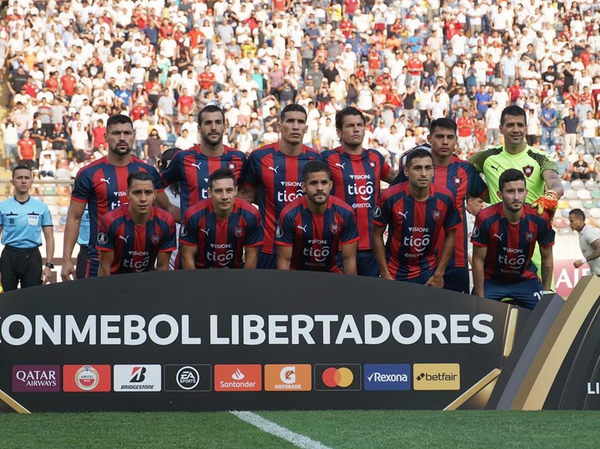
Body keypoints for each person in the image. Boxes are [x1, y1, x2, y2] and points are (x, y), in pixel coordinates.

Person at [61, 114, 178, 280]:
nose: (122, 138)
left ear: (134, 137)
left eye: (127, 133)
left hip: (141, 261)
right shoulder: (89, 173)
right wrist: (66, 260)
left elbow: (167, 209)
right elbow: (74, 217)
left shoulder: (148, 172)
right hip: (100, 259)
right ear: (105, 137)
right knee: (99, 306)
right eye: (116, 133)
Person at [470, 105, 563, 287]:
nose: (515, 129)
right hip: (497, 242)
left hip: (532, 242)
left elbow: (556, 185)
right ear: (501, 128)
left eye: (520, 125)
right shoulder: (485, 157)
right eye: (510, 125)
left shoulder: (540, 158)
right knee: (494, 311)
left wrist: (551, 194)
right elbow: (464, 174)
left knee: (540, 308)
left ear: (526, 129)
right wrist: (486, 196)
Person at [392, 118, 489, 293]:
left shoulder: (466, 170)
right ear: (429, 138)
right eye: (439, 136)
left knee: (457, 315)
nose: (445, 142)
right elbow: (391, 203)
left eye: (450, 137)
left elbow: (489, 196)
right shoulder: (416, 169)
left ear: (456, 140)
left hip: (456, 261)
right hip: (416, 262)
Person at [238, 104, 321, 269]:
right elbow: (246, 197)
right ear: (279, 126)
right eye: (290, 121)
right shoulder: (259, 157)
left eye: (300, 122)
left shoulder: (316, 160)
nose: (295, 126)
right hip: (267, 247)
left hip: (306, 249)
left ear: (306, 128)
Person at [321, 107, 395, 277]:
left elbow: (397, 180)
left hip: (371, 246)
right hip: (337, 246)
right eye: (350, 126)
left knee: (370, 299)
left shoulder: (375, 157)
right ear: (339, 132)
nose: (356, 129)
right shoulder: (327, 158)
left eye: (359, 125)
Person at [373, 148, 460, 286]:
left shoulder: (446, 198)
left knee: (427, 308)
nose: (424, 174)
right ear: (406, 171)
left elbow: (451, 233)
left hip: (428, 271)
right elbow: (377, 234)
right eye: (418, 168)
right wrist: (384, 273)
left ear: (433, 171)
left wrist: (439, 274)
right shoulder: (389, 197)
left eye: (428, 168)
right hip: (394, 270)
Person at [471, 169, 554, 310]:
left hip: (525, 280)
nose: (516, 197)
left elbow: (547, 257)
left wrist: (546, 292)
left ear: (526, 193)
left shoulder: (540, 218)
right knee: (475, 313)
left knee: (547, 315)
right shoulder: (485, 218)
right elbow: (478, 260)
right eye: (510, 191)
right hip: (492, 281)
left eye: (520, 191)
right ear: (500, 195)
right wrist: (479, 299)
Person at [160, 105, 247, 220]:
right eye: (208, 123)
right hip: (192, 236)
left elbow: (248, 192)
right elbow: (155, 186)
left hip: (229, 234)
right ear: (199, 128)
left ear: (224, 127)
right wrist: (172, 210)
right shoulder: (183, 158)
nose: (213, 127)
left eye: (218, 122)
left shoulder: (238, 158)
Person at [276, 161, 358, 274]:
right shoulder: (289, 214)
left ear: (330, 185)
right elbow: (284, 261)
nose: (319, 188)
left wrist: (350, 290)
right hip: (297, 274)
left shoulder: (345, 213)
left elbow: (349, 260)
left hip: (331, 272)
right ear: (304, 187)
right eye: (313, 183)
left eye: (324, 183)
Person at [180, 168, 262, 269]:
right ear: (209, 192)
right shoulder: (194, 215)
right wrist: (196, 284)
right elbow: (187, 257)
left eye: (229, 190)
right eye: (218, 191)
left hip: (235, 274)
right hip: (201, 274)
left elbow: (251, 257)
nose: (224, 196)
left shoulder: (250, 214)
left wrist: (244, 283)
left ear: (236, 191)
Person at [97, 172, 176, 275]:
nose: (143, 199)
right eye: (137, 193)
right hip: (115, 282)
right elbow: (105, 267)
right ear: (128, 194)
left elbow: (162, 267)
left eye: (148, 192)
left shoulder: (166, 221)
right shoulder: (110, 220)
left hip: (147, 282)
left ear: (155, 195)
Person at [0, 165, 54, 291]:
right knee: (7, 299)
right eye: (19, 178)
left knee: (31, 300)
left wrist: (48, 265)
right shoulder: (3, 206)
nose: (23, 181)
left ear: (31, 181)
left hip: (32, 257)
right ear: (12, 182)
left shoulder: (42, 207)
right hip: (9, 256)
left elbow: (49, 237)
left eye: (26, 178)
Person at [568, 208, 600, 276]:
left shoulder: (588, 232)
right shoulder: (582, 233)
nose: (570, 224)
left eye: (572, 221)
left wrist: (582, 261)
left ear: (580, 220)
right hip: (595, 273)